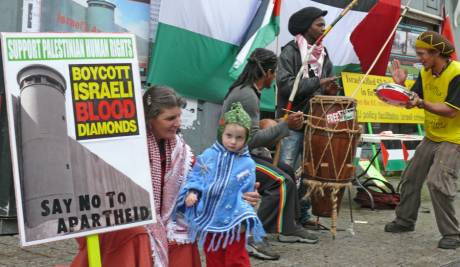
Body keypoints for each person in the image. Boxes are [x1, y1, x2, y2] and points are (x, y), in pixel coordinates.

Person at [71, 86, 261, 266]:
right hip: (128, 219)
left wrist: (239, 193)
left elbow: (207, 179)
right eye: (170, 118)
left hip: (168, 216)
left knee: (184, 234)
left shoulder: (181, 149)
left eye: (179, 116)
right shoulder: (130, 146)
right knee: (138, 234)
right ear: (150, 119)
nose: (178, 124)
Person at [221, 48, 319, 261]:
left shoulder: (248, 91)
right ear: (266, 72)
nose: (274, 77)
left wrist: (274, 126)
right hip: (235, 159)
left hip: (245, 153)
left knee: (287, 171)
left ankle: (288, 228)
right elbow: (251, 140)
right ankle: (251, 236)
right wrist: (285, 125)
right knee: (281, 182)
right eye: (274, 73)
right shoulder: (246, 95)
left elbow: (250, 134)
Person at [384, 31, 460, 250]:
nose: (419, 58)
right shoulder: (426, 72)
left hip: (454, 138)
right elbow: (411, 101)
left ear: (437, 53)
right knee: (410, 178)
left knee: (438, 182)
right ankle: (404, 221)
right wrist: (400, 87)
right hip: (432, 135)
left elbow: (450, 111)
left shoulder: (457, 73)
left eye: (422, 54)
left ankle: (452, 234)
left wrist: (420, 103)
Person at [176, 102, 265, 267]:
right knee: (213, 257)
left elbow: (248, 192)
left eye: (239, 138)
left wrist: (249, 200)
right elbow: (197, 176)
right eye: (229, 135)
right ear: (220, 133)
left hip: (235, 220)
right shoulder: (209, 156)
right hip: (211, 217)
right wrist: (193, 192)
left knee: (236, 259)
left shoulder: (247, 164)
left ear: (247, 139)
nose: (233, 142)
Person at [276, 6, 340, 228]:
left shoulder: (323, 54)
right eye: (319, 24)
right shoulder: (290, 52)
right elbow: (285, 86)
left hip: (315, 123)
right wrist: (318, 82)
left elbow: (326, 88)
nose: (325, 28)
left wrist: (331, 90)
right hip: (292, 122)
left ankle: (301, 217)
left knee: (309, 171)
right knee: (286, 170)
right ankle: (281, 218)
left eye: (324, 24)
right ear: (306, 27)